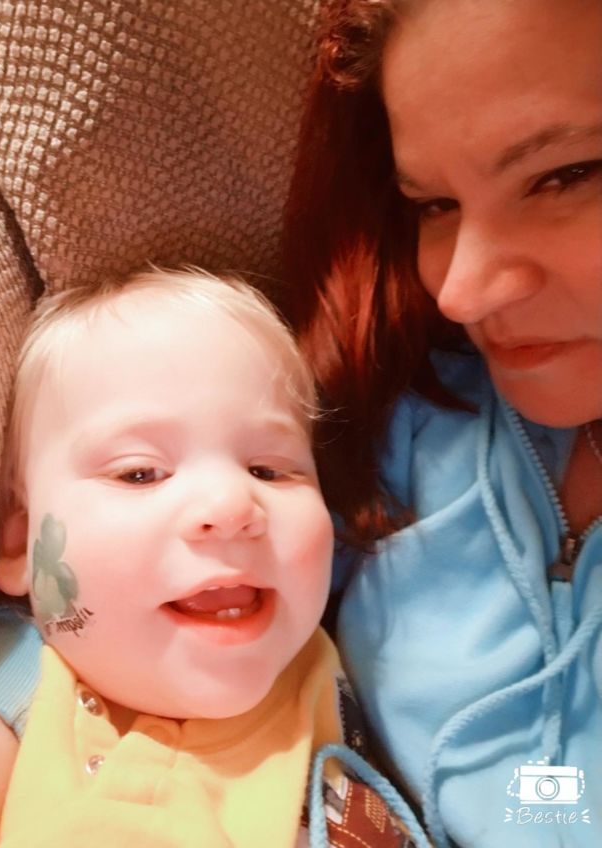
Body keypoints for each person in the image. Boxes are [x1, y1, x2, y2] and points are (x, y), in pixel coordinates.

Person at [283, 1, 602, 847]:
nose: (459, 292)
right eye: (433, 205)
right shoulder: (402, 417)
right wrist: (1, 696)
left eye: (566, 175)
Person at [0, 268, 428, 848]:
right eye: (140, 473)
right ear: (21, 542)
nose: (232, 506)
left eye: (269, 470)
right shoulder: (7, 690)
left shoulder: (358, 664)